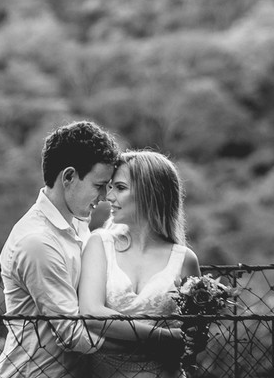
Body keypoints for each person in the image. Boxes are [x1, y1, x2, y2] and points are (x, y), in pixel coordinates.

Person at [0, 120, 122, 378]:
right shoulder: (37, 242)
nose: (104, 197)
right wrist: (148, 344)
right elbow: (73, 334)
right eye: (98, 186)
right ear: (69, 177)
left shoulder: (78, 223)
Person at [79, 150, 200, 378]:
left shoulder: (185, 259)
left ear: (149, 193)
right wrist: (164, 336)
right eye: (110, 187)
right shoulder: (100, 244)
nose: (109, 196)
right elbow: (91, 314)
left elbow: (193, 339)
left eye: (120, 188)